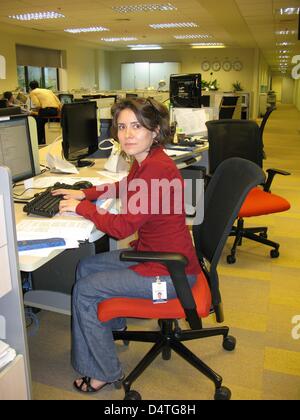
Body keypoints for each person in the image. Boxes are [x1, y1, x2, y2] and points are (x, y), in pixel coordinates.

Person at [52, 97, 202, 394]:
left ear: (155, 130)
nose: (128, 134)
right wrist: (88, 194)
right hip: (154, 254)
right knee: (87, 265)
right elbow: (124, 186)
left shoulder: (156, 168)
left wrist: (83, 209)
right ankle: (112, 328)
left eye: (137, 126)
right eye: (122, 127)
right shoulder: (147, 160)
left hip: (170, 270)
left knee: (85, 290)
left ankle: (105, 372)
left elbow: (121, 227)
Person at [29, 80, 62, 144]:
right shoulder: (48, 91)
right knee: (41, 117)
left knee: (37, 119)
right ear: (38, 85)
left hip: (47, 111)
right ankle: (45, 138)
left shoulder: (32, 92)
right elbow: (58, 102)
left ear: (30, 88)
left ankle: (39, 142)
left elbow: (38, 105)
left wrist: (34, 112)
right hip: (55, 111)